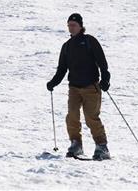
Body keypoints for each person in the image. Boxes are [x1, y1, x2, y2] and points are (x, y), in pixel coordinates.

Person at [46, 13, 111, 160]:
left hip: (91, 87)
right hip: (74, 88)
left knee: (91, 117)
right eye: (69, 25)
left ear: (81, 26)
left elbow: (102, 62)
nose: (71, 28)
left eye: (74, 25)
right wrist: (53, 83)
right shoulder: (67, 47)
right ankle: (76, 144)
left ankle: (102, 147)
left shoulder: (90, 41)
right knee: (72, 117)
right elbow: (62, 69)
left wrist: (105, 79)